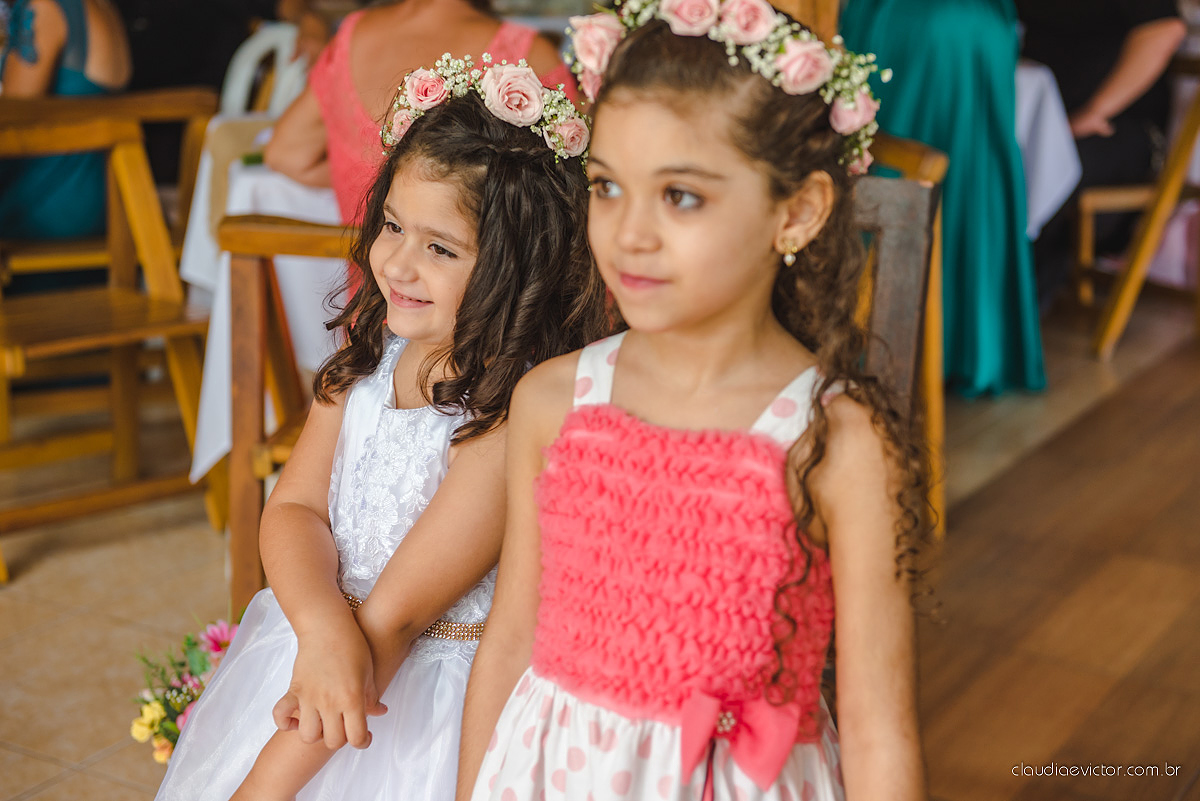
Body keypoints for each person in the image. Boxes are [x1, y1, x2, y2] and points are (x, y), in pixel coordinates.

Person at [456, 3, 931, 800]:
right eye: (607, 186)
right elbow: (508, 642)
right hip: (553, 774)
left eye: (680, 196)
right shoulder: (551, 401)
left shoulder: (835, 441)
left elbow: (880, 722)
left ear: (799, 210)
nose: (629, 232)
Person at [154, 56, 605, 801]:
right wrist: (320, 619)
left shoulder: (508, 415)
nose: (395, 261)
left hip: (419, 701)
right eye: (393, 224)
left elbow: (393, 624)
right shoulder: (367, 361)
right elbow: (294, 508)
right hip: (319, 643)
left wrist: (261, 790)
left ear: (519, 265)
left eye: (440, 248)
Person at [841, 0, 1045, 397]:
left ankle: (883, 342)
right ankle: (970, 347)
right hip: (967, 27)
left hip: (924, 23)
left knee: (897, 154)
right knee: (960, 166)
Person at [264, 0, 575, 225]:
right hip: (485, 309)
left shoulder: (353, 34)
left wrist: (366, 181)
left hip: (368, 308)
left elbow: (284, 154)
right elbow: (573, 190)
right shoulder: (527, 55)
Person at [1016, 0, 1187, 307]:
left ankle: (1012, 312)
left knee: (1041, 165)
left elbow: (1164, 30)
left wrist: (1093, 113)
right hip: (1043, 123)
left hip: (1120, 132)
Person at [0, 0, 130, 253]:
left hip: (46, 211)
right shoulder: (105, 7)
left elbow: (11, 121)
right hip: (105, 209)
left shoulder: (44, 7)